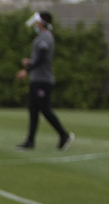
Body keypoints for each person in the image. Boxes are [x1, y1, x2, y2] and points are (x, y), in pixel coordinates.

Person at [15, 11, 73, 151]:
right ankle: (30, 141)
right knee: (33, 110)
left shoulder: (45, 38)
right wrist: (30, 62)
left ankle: (63, 134)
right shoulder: (40, 37)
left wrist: (26, 71)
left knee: (45, 109)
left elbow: (42, 58)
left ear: (42, 22)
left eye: (37, 21)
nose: (35, 24)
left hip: (43, 80)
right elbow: (40, 58)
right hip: (36, 79)